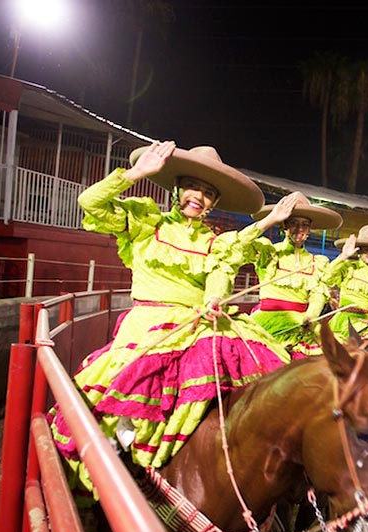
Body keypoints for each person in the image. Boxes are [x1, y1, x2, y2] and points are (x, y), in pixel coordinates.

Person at [47, 140, 295, 501]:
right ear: (178, 189)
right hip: (149, 325)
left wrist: (214, 298)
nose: (199, 197)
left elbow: (220, 274)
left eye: (208, 193)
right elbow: (90, 203)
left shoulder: (215, 243)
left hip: (201, 322)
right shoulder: (146, 224)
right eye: (193, 186)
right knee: (128, 394)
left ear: (214, 202)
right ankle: (117, 474)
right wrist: (136, 174)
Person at [247, 199, 342, 359]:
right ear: (284, 225)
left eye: (305, 224)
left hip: (302, 321)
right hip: (269, 319)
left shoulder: (316, 262)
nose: (300, 229)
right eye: (294, 223)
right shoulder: (269, 252)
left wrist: (310, 316)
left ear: (309, 229)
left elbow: (317, 294)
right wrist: (270, 220)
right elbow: (240, 245)